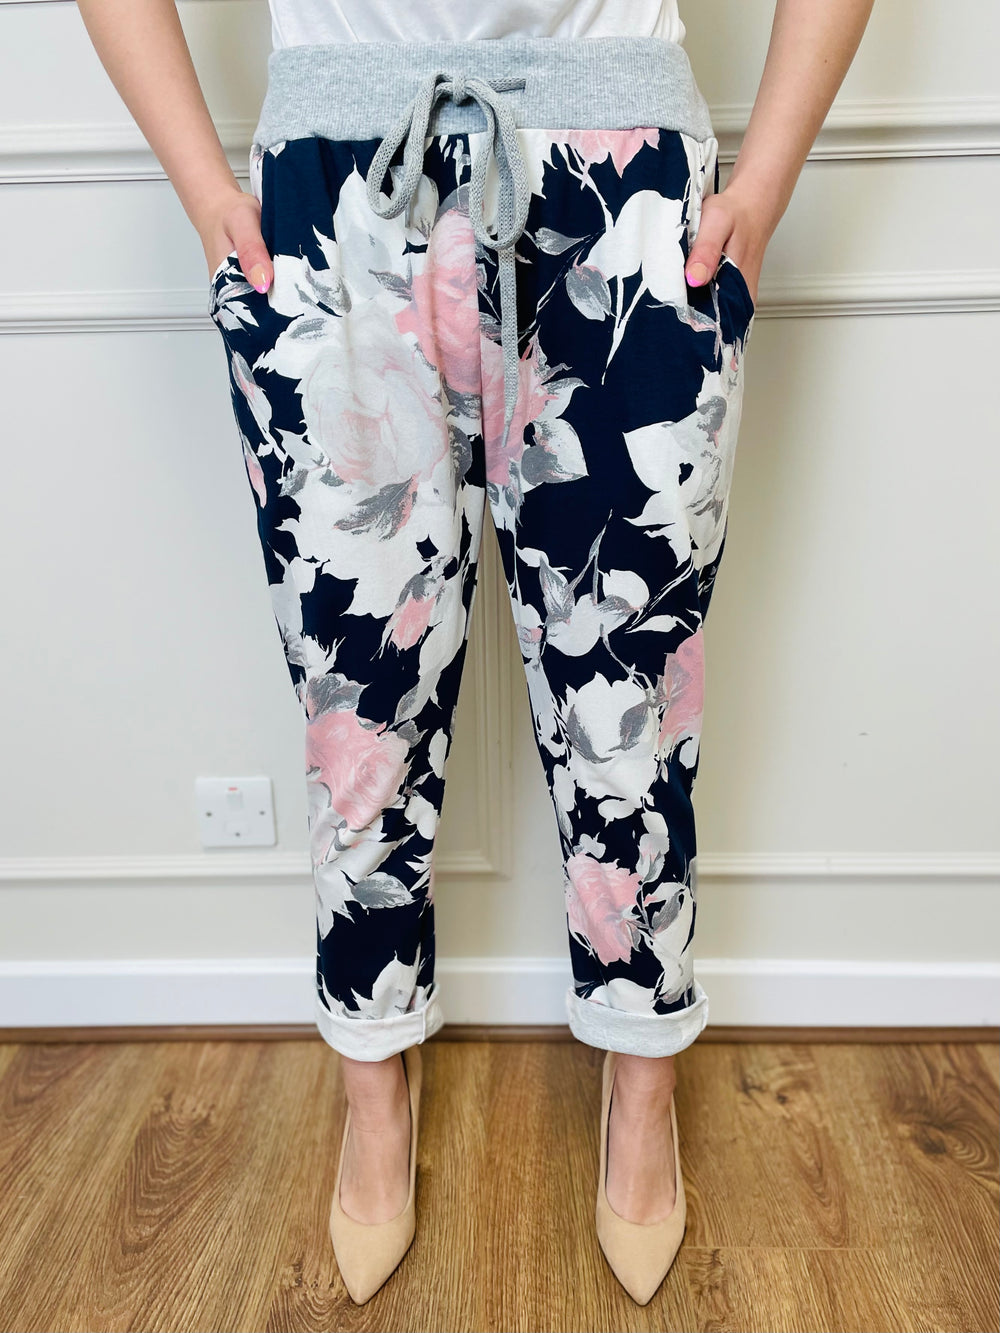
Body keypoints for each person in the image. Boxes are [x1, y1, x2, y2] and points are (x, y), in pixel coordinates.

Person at [75, 0, 876, 1308]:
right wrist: (205, 189)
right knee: (359, 697)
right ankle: (372, 1075)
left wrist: (770, 181)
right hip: (337, 190)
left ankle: (641, 1072)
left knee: (631, 690)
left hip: (618, 178)